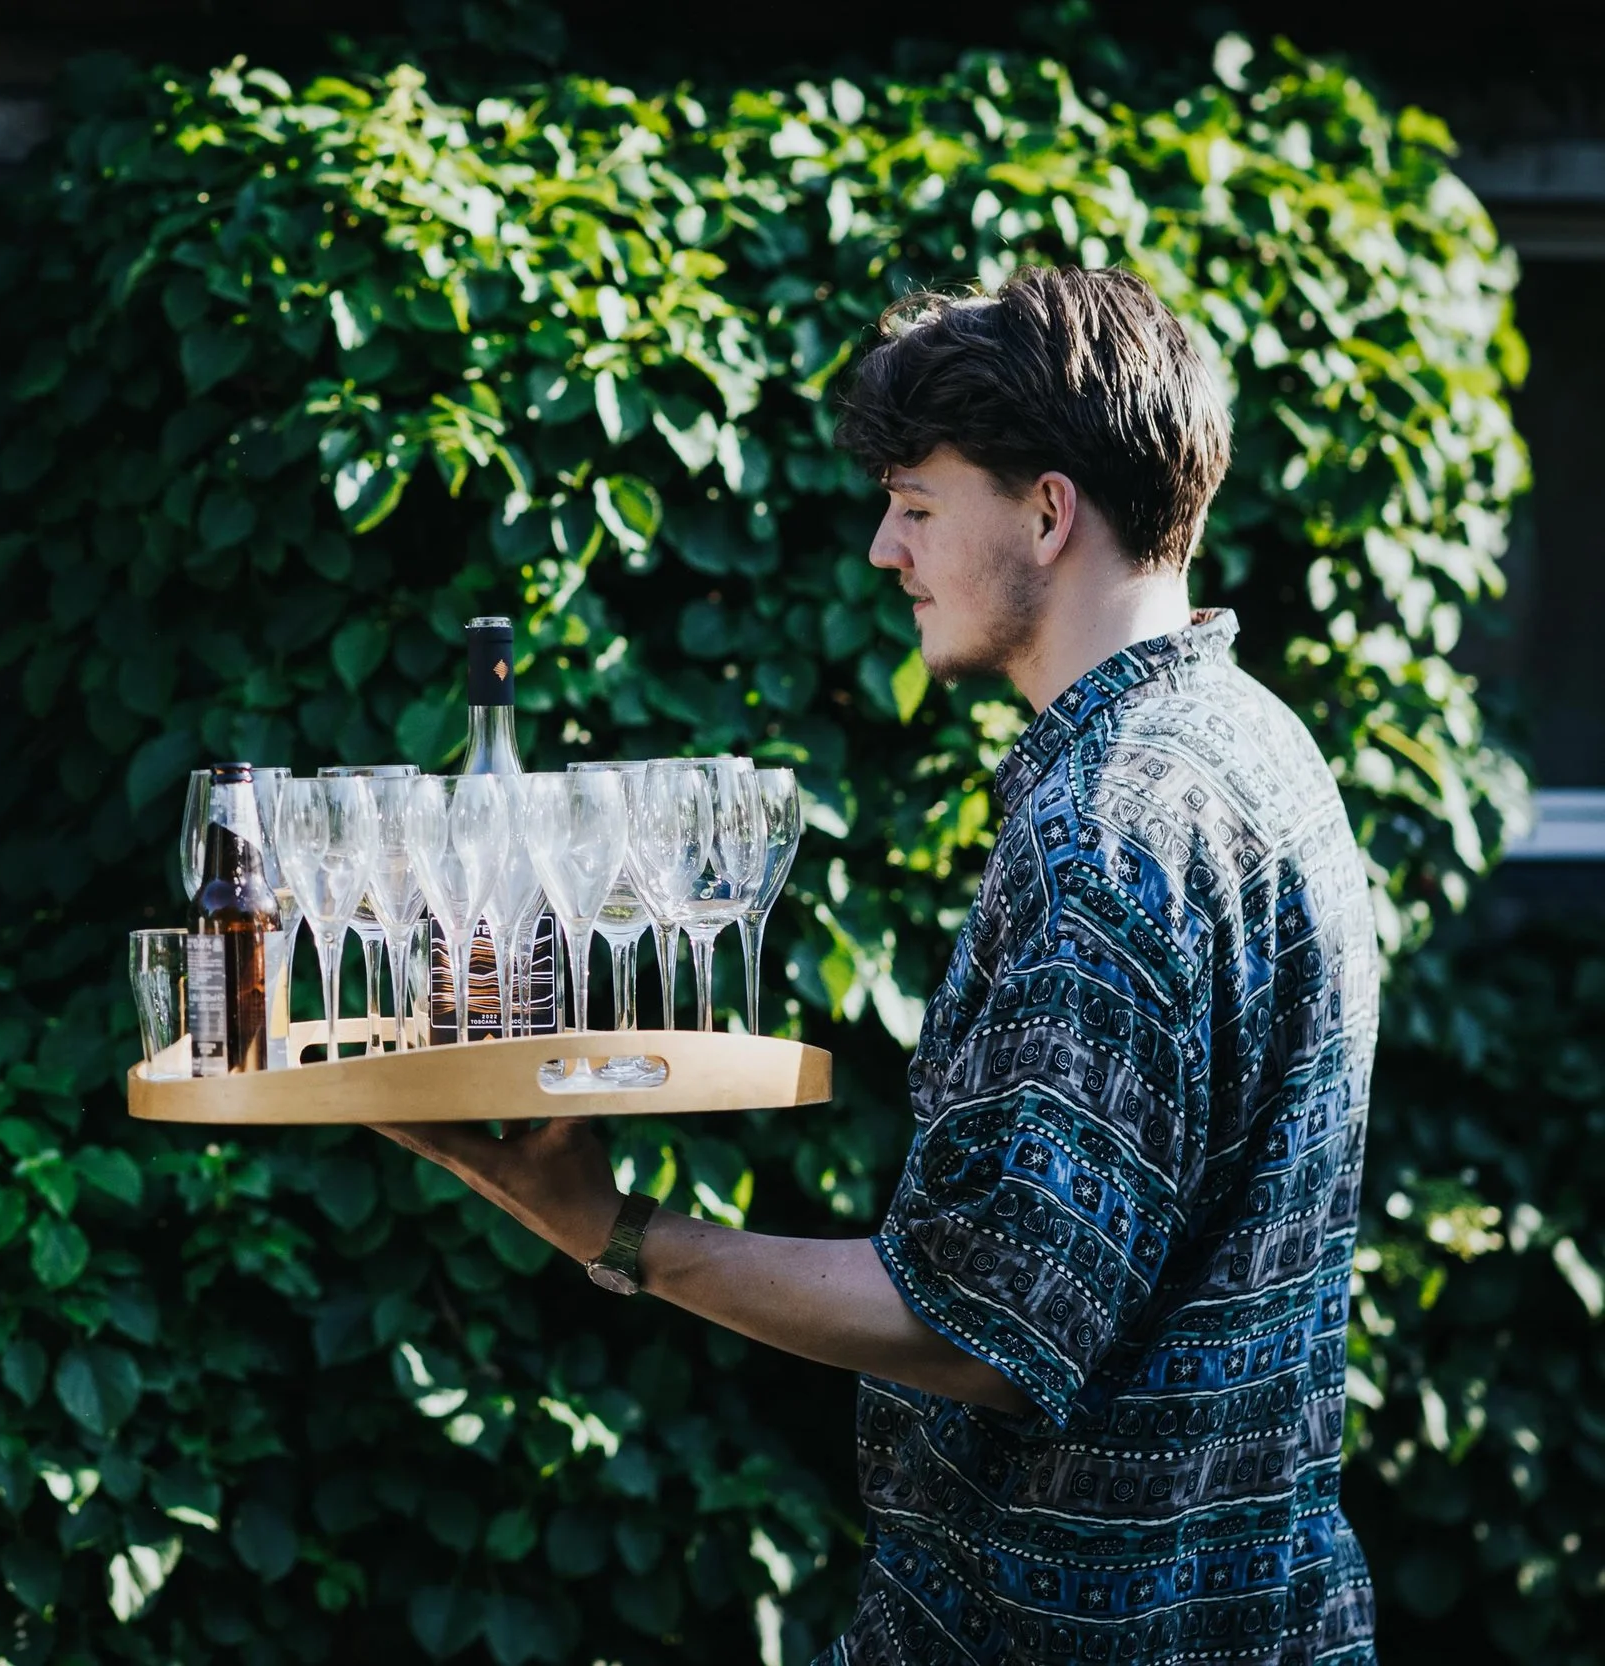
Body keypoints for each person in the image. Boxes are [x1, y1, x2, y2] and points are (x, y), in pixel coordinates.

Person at [373, 266, 1378, 1664]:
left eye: (915, 504)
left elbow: (987, 1329)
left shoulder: (1108, 826)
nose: (880, 550)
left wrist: (610, 1229)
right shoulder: (1260, 743)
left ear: (1048, 512)